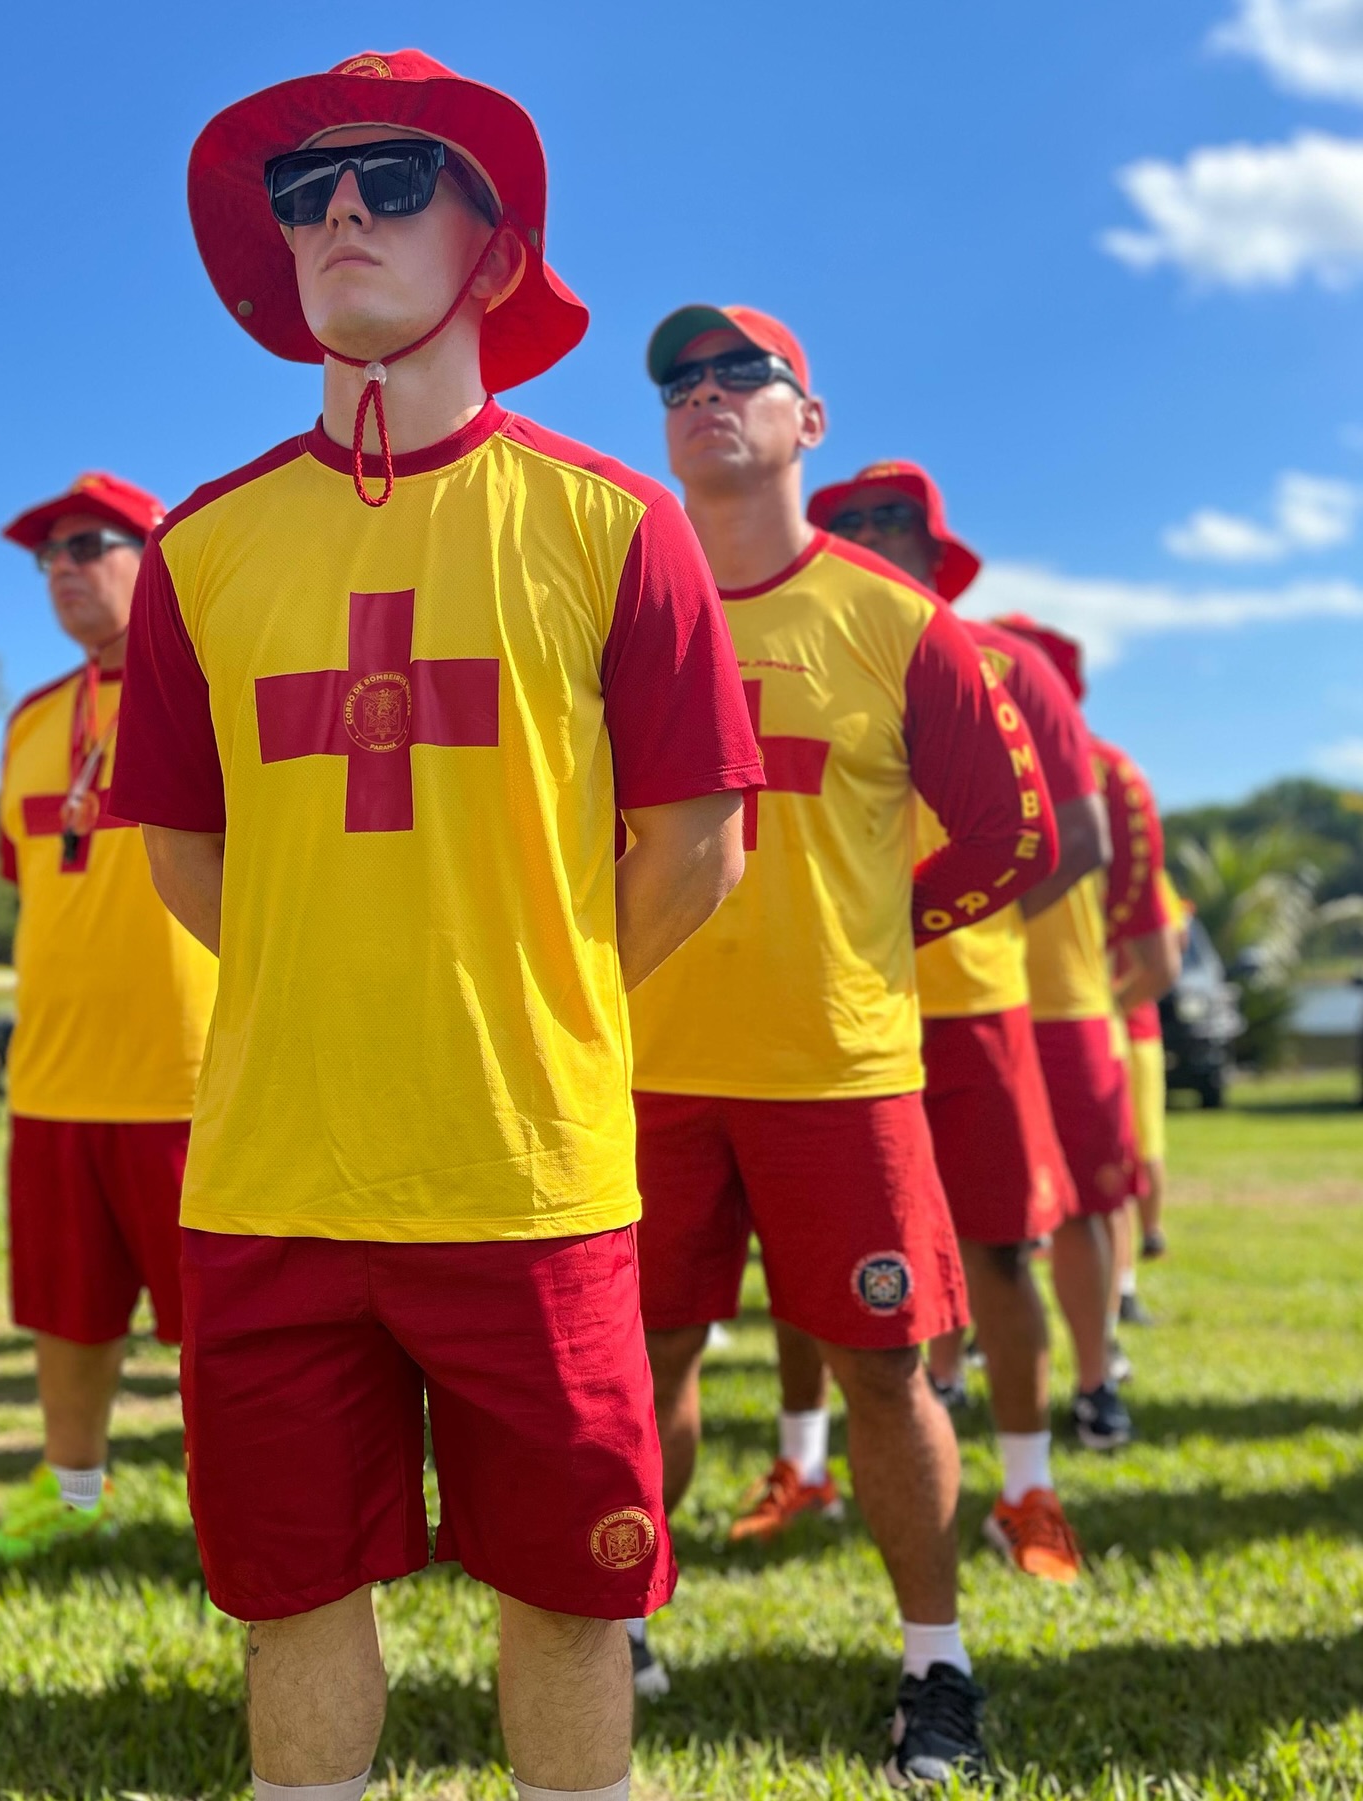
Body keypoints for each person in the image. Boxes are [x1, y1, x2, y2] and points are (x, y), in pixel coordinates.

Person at [111, 51, 761, 1801]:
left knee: (566, 1597)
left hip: (525, 1171)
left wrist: (516, 990)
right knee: (290, 1597)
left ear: (493, 241)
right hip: (268, 1174)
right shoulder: (202, 547)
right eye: (302, 190)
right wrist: (336, 986)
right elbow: (183, 847)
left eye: (394, 179)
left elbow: (700, 842)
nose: (337, 213)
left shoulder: (613, 520)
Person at [627, 304, 1059, 1783]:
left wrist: (878, 936)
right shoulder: (616, 608)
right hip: (649, 1071)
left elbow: (1015, 836)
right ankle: (623, 1618)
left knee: (887, 1374)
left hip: (842, 1074)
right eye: (680, 382)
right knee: (645, 1355)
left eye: (741, 374)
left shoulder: (896, 621)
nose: (705, 397)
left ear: (809, 420)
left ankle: (935, 1663)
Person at [809, 461, 1102, 1582]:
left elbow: (1074, 835)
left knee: (1000, 1253)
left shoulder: (1006, 662)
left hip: (973, 1005)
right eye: (851, 519)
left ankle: (1026, 1491)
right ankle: (808, 1459)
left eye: (897, 520)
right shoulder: (811, 640)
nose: (873, 534)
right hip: (835, 1008)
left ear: (941, 549)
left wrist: (941, 924)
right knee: (820, 1262)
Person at [0, 474, 218, 1566]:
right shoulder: (27, 721)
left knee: (219, 1334)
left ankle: (240, 1513)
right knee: (68, 1315)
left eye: (88, 544)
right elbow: (36, 880)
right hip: (57, 1078)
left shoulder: (213, 693)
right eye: (48, 553)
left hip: (194, 1078)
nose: (62, 566)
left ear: (152, 555)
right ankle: (70, 1497)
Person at [993, 616, 1142, 1448]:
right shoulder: (929, 714)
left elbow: (1133, 902)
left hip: (1067, 1002)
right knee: (960, 1209)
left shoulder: (1109, 769)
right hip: (970, 999)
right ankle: (948, 1376)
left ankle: (1095, 1380)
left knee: (1084, 1204)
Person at [1093, 739, 1183, 1323]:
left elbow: (1165, 952)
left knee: (1131, 1158)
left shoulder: (1143, 874)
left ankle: (1126, 1280)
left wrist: (1112, 1003)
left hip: (1127, 1026)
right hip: (1110, 1022)